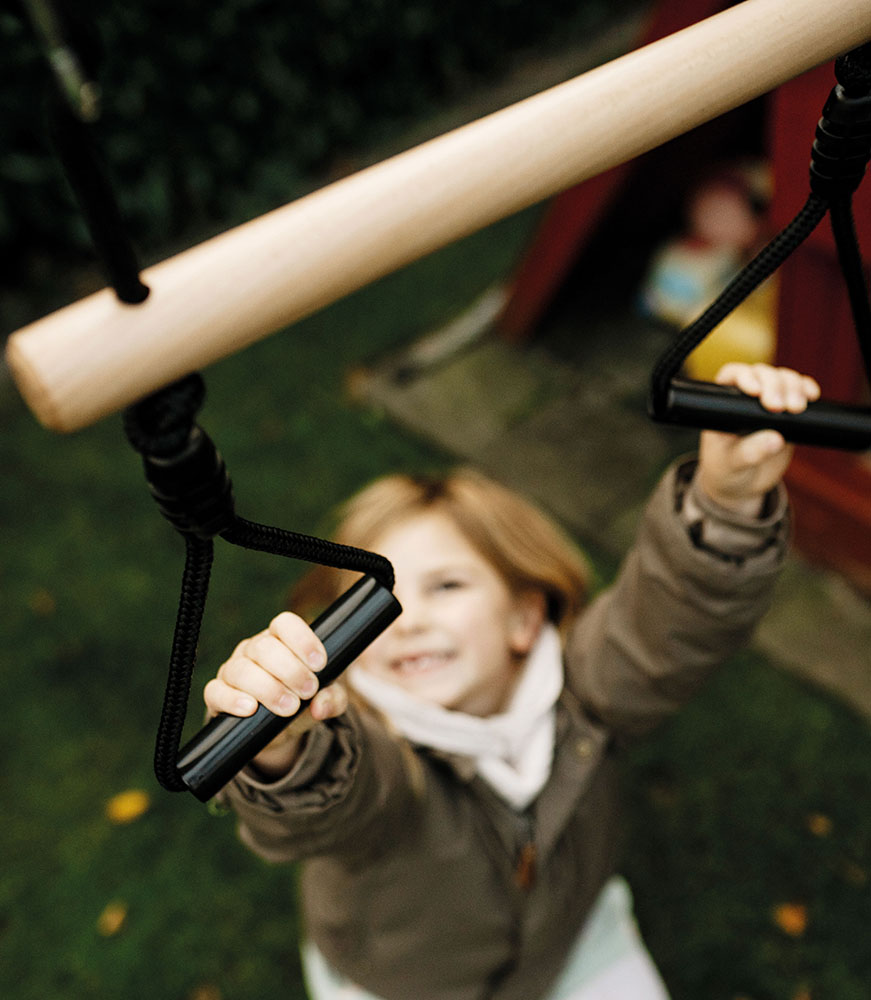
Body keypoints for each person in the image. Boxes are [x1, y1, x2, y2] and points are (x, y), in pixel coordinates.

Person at [205, 362, 821, 1000]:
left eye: (446, 586)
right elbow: (332, 801)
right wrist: (281, 744)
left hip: (570, 946)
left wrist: (725, 501)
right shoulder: (364, 749)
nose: (407, 621)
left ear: (524, 619)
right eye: (371, 603)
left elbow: (668, 624)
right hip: (400, 982)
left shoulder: (585, 691)